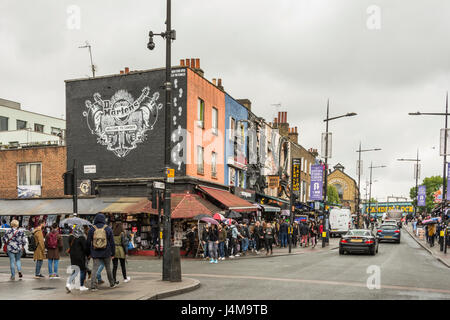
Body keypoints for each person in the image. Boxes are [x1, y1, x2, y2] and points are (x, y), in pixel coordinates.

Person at [87, 213, 116, 291]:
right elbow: (112, 242)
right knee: (108, 268)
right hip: (106, 252)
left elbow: (88, 242)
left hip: (95, 252)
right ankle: (112, 283)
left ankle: (93, 286)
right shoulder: (108, 228)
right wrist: (113, 253)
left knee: (94, 269)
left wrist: (88, 253)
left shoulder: (92, 229)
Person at [67, 225, 89, 292]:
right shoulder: (81, 238)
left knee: (75, 270)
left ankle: (68, 284)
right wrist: (88, 254)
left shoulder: (71, 237)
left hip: (72, 256)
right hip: (80, 256)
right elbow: (85, 248)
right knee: (82, 270)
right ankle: (81, 286)